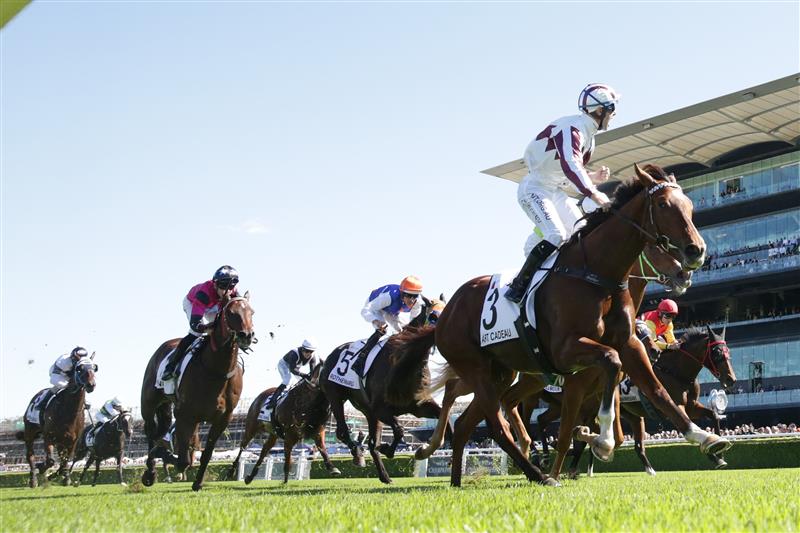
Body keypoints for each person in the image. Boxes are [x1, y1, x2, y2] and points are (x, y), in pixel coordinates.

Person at [505, 83, 621, 303]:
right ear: (599, 110)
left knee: (582, 229)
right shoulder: (574, 128)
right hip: (535, 189)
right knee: (556, 234)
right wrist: (594, 192)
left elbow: (565, 172)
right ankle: (519, 284)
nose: (614, 115)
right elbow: (570, 164)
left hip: (553, 190)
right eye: (611, 109)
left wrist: (592, 177)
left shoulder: (589, 135)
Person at [161, 265, 240, 384]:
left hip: (214, 306)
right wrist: (206, 328)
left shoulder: (233, 292)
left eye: (231, 287)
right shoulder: (204, 293)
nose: (227, 291)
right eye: (224, 287)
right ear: (215, 284)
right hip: (194, 303)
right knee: (196, 333)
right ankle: (170, 366)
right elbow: (195, 324)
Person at [352, 275, 423, 377]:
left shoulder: (417, 304)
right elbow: (366, 310)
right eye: (409, 296)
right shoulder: (389, 297)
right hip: (375, 307)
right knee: (382, 329)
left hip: (392, 311)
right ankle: (360, 360)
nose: (412, 300)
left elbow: (412, 320)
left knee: (402, 331)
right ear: (402, 293)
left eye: (415, 296)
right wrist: (376, 321)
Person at [263, 339, 319, 413]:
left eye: (311, 351)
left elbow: (313, 371)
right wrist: (304, 375)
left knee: (303, 382)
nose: (308, 353)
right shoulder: (294, 353)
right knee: (287, 379)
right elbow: (292, 370)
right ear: (302, 349)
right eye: (306, 351)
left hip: (296, 368)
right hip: (284, 365)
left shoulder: (313, 356)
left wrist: (311, 378)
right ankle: (272, 401)